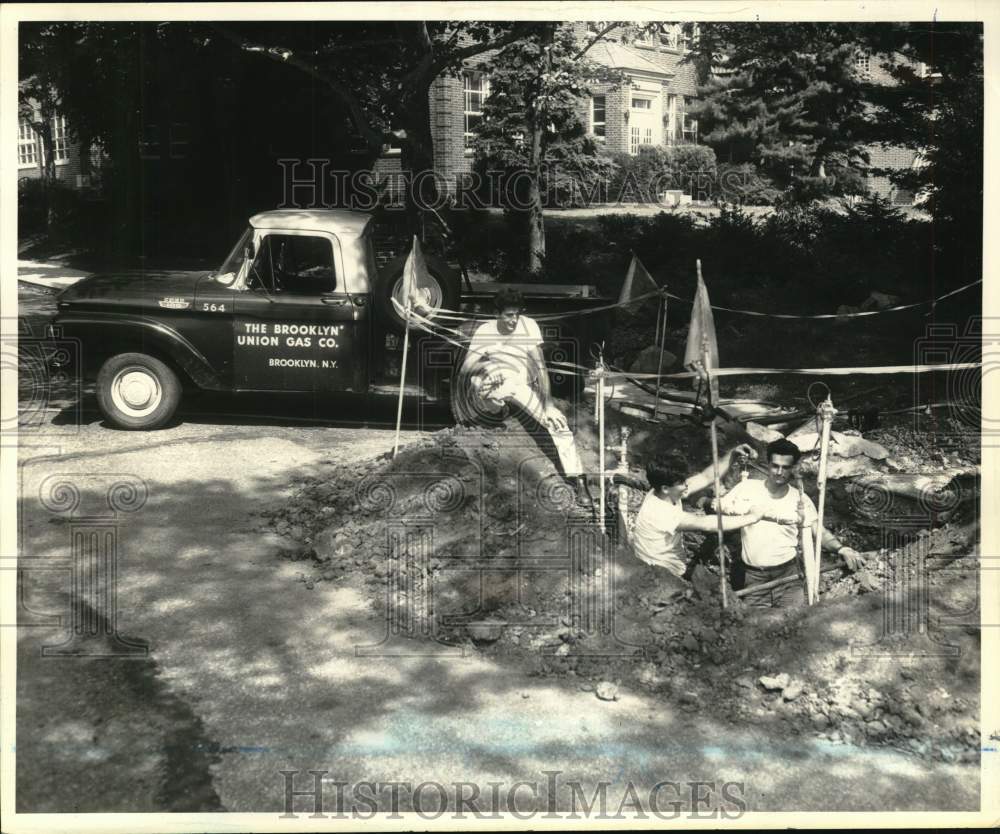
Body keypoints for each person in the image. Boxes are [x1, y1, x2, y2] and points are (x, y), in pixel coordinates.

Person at [461, 288, 591, 505]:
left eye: (517, 314)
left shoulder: (528, 325)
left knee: (557, 423)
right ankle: (497, 407)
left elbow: (539, 366)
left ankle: (578, 480)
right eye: (508, 315)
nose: (514, 320)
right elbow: (465, 368)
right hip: (491, 382)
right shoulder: (484, 331)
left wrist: (548, 405)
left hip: (520, 385)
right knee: (484, 383)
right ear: (497, 314)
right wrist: (487, 365)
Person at [714, 437, 864, 608]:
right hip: (754, 578)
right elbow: (720, 506)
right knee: (755, 628)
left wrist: (841, 548)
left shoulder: (800, 499)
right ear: (768, 464)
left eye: (785, 467)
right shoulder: (746, 488)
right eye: (775, 466)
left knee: (794, 625)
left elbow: (818, 530)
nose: (779, 472)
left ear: (793, 468)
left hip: (789, 577)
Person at [631, 447, 763, 580]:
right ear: (665, 488)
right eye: (682, 483)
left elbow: (705, 477)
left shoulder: (662, 491)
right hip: (662, 575)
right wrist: (752, 517)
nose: (686, 485)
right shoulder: (660, 512)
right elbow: (707, 523)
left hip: (662, 567)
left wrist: (732, 454)